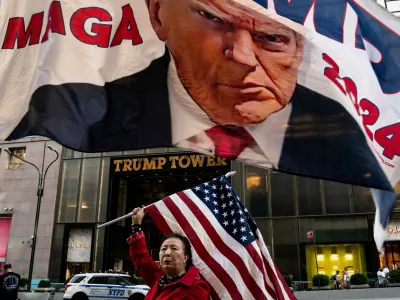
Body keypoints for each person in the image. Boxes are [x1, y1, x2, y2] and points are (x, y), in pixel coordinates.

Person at [8, 0, 391, 191]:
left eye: (272, 37)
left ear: (300, 50)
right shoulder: (81, 104)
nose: (242, 56)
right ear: (158, 14)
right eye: (215, 19)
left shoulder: (346, 129)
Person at [127, 206, 210, 299]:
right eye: (163, 249)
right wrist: (136, 225)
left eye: (174, 248)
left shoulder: (195, 288)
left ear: (185, 258)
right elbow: (142, 260)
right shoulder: (159, 279)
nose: (167, 253)